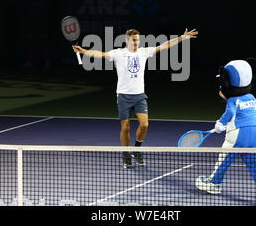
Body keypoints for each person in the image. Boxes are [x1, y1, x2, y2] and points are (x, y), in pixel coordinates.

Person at [73, 28, 198, 168]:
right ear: (127, 40)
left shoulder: (143, 52)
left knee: (144, 125)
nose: (136, 42)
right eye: (133, 40)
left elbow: (164, 46)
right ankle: (126, 154)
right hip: (123, 95)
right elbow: (100, 54)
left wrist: (183, 37)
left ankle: (137, 149)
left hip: (139, 95)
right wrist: (83, 51)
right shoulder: (118, 53)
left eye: (138, 39)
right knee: (125, 127)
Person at [195, 58, 256, 200]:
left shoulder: (233, 100)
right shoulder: (252, 97)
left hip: (238, 134)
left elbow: (230, 113)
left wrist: (220, 124)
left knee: (224, 158)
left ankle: (213, 183)